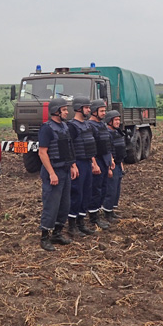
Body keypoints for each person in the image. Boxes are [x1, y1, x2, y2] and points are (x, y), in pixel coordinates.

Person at [38, 98, 79, 251]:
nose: (67, 112)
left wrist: (73, 165)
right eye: (64, 110)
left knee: (64, 204)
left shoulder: (65, 127)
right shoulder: (47, 129)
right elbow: (42, 153)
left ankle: (57, 233)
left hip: (66, 171)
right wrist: (51, 173)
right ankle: (44, 237)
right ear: (56, 111)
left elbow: (69, 149)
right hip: (54, 172)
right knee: (51, 205)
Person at [67, 96, 99, 238]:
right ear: (79, 108)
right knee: (76, 194)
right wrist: (73, 165)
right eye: (86, 107)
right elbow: (69, 147)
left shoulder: (87, 125)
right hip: (78, 163)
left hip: (87, 162)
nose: (89, 110)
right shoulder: (72, 126)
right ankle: (72, 225)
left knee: (86, 193)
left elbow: (89, 146)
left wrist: (93, 162)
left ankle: (81, 222)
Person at [87, 99, 114, 231]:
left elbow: (107, 145)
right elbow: (89, 148)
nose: (104, 113)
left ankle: (98, 213)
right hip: (96, 162)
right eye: (102, 111)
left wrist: (110, 161)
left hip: (104, 161)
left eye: (105, 111)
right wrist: (94, 164)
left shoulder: (103, 126)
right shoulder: (90, 126)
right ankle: (93, 217)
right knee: (95, 190)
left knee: (103, 189)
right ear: (94, 111)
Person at [102, 110, 126, 221]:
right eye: (116, 120)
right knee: (110, 189)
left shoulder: (117, 132)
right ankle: (107, 212)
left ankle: (111, 210)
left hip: (118, 164)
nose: (118, 122)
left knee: (116, 189)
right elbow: (108, 151)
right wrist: (109, 168)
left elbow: (120, 151)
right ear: (109, 121)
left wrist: (121, 165)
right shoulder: (107, 133)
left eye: (118, 119)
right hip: (111, 165)